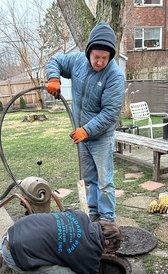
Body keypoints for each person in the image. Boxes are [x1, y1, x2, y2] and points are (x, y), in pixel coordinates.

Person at [45, 22, 125, 222]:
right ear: (89, 52)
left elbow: (110, 113)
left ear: (110, 57)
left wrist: (87, 131)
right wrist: (53, 77)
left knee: (104, 181)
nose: (99, 62)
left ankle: (107, 220)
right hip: (81, 134)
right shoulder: (77, 61)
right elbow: (54, 60)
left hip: (100, 137)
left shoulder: (114, 76)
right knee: (89, 180)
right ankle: (93, 215)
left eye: (104, 58)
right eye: (96, 57)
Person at [0, 209, 123, 274]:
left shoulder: (81, 215)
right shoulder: (90, 253)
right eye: (109, 252)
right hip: (17, 255)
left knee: (54, 247)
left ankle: (3, 260)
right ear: (107, 244)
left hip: (12, 234)